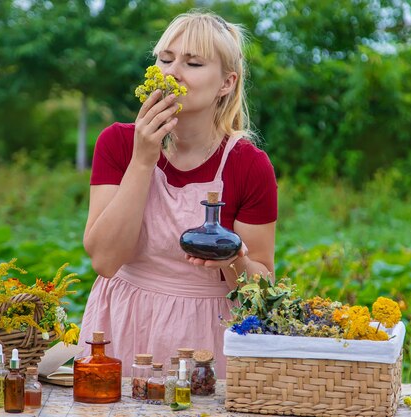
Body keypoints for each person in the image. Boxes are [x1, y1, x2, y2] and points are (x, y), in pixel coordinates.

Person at [77, 10, 277, 377]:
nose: (172, 72)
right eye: (165, 59)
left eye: (193, 62)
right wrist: (142, 160)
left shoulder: (249, 165)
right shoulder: (119, 144)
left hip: (205, 338)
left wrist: (233, 258)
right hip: (123, 323)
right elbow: (105, 261)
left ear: (226, 83)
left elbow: (261, 288)